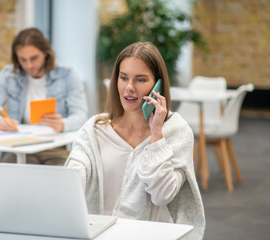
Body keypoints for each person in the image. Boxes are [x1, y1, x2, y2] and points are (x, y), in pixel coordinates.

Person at [66, 42, 205, 239]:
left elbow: (162, 194)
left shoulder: (177, 131)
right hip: (100, 235)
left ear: (157, 85)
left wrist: (156, 133)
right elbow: (72, 179)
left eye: (140, 80)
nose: (129, 88)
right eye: (124, 78)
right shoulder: (95, 130)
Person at [0, 27, 88, 165]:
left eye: (34, 58)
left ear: (46, 54)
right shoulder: (9, 75)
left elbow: (82, 116)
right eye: (23, 60)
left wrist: (63, 124)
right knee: (8, 175)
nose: (29, 66)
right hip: (19, 148)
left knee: (64, 177)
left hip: (55, 148)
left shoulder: (67, 74)